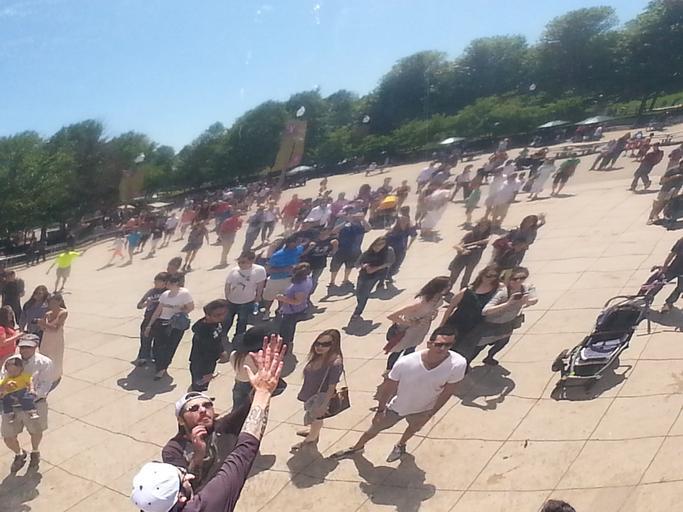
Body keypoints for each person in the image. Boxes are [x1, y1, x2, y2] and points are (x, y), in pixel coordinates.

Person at [132, 335, 284, 512]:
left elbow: (249, 408)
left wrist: (261, 386)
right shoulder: (173, 450)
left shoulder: (222, 428)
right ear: (180, 419)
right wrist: (198, 456)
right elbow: (244, 451)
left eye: (207, 405)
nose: (203, 410)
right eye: (194, 408)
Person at [332, 328, 465, 463]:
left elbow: (447, 392)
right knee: (374, 429)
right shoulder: (406, 362)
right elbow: (389, 387)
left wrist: (430, 414)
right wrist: (380, 410)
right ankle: (357, 448)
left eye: (448, 345)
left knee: (413, 429)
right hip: (398, 406)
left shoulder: (458, 364)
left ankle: (401, 445)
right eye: (439, 344)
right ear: (429, 343)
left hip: (425, 409)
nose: (443, 349)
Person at [2, 334, 54, 473]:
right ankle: (19, 453)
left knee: (36, 431)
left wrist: (31, 397)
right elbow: (3, 378)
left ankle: (35, 451)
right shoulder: (10, 361)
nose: (24, 350)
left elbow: (45, 385)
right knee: (8, 436)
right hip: (12, 405)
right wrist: (5, 390)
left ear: (35, 346)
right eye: (22, 346)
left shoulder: (45, 363)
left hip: (34, 404)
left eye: (28, 347)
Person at [469, 266, 537, 365]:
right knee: (479, 346)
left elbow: (534, 299)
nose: (518, 281)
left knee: (502, 342)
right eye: (514, 279)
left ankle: (489, 357)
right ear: (508, 279)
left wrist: (527, 301)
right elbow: (486, 310)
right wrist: (507, 304)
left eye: (522, 278)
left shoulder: (526, 288)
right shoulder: (502, 292)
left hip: (508, 323)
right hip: (491, 324)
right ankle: (467, 364)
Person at [293, 329, 344, 451]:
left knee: (317, 419)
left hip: (321, 397)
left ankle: (310, 439)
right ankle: (313, 432)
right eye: (318, 343)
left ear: (334, 345)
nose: (320, 347)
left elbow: (332, 386)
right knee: (313, 416)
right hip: (310, 394)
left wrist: (324, 405)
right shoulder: (319, 356)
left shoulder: (335, 363)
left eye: (325, 344)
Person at [385, 276, 450, 370]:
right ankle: (389, 370)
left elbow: (431, 309)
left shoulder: (439, 299)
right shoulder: (420, 302)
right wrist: (411, 323)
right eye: (447, 286)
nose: (449, 288)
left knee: (411, 350)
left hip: (420, 330)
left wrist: (433, 313)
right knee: (398, 351)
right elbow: (392, 316)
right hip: (407, 331)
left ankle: (405, 369)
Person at [439, 266, 501, 360]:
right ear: (482, 275)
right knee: (446, 346)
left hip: (474, 326)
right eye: (488, 276)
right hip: (457, 322)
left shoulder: (496, 292)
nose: (491, 278)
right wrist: (442, 324)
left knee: (463, 350)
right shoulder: (467, 291)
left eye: (494, 276)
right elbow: (451, 307)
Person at [145, 274, 195, 380]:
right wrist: (150, 324)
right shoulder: (165, 295)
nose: (167, 284)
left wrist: (179, 309)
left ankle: (162, 368)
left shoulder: (184, 294)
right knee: (157, 346)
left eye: (169, 283)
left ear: (175, 283)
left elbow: (190, 307)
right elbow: (158, 310)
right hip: (162, 321)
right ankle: (159, 363)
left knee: (170, 347)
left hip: (175, 323)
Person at [224, 251, 267, 343]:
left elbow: (260, 285)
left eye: (243, 262)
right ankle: (223, 336)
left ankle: (238, 338)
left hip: (246, 302)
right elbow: (227, 284)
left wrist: (258, 297)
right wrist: (227, 296)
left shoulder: (259, 271)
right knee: (227, 320)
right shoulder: (234, 270)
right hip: (232, 301)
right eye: (239, 262)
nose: (240, 264)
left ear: (251, 261)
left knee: (242, 321)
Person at [229, 324, 274, 411]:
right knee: (254, 408)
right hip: (252, 385)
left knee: (237, 409)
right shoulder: (258, 359)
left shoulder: (234, 355)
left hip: (239, 383)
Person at [189, 300, 229, 392]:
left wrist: (221, 351)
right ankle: (195, 396)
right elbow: (206, 352)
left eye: (224, 313)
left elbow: (217, 341)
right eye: (218, 315)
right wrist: (207, 372)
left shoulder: (215, 323)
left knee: (204, 384)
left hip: (211, 361)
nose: (222, 316)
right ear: (208, 316)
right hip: (201, 363)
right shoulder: (203, 332)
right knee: (199, 385)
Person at [352, 236, 395, 319]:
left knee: (364, 293)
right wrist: (364, 265)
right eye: (377, 244)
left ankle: (358, 311)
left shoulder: (388, 251)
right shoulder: (368, 252)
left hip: (376, 275)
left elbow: (390, 262)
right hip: (364, 274)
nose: (379, 246)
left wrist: (376, 268)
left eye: (382, 244)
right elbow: (357, 264)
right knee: (358, 293)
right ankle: (360, 305)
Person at [261, 237, 304, 319]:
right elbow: (268, 269)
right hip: (276, 279)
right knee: (269, 297)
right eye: (294, 243)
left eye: (296, 243)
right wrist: (283, 269)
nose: (296, 245)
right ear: (288, 244)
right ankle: (267, 311)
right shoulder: (277, 255)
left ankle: (279, 310)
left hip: (290, 279)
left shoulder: (298, 249)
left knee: (284, 296)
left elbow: (303, 249)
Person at [133, 272, 169, 367]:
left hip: (161, 320)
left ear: (165, 283)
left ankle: (156, 357)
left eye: (158, 282)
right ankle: (143, 357)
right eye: (155, 281)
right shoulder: (151, 292)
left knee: (159, 341)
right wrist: (146, 304)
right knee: (145, 338)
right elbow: (139, 305)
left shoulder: (168, 293)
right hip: (148, 318)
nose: (155, 284)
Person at [448, 218, 492, 291]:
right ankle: (447, 289)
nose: (483, 228)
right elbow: (458, 245)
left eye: (486, 226)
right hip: (463, 257)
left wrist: (471, 244)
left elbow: (485, 241)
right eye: (481, 225)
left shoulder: (487, 236)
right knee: (454, 275)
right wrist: (463, 250)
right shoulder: (470, 234)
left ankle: (463, 290)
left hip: (474, 258)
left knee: (467, 275)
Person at [276, 263, 313, 349]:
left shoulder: (299, 287)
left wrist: (283, 298)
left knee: (285, 331)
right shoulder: (308, 279)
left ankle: (284, 347)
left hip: (292, 312)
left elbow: (297, 301)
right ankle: (289, 341)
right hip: (297, 309)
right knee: (291, 327)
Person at [329, 213, 370, 287]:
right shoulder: (344, 224)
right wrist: (346, 221)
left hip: (354, 250)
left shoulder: (360, 226)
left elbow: (368, 228)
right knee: (335, 267)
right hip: (341, 249)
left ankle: (346, 279)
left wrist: (363, 219)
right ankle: (332, 281)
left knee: (349, 266)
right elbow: (334, 231)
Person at [37, 293, 67, 382]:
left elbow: (56, 328)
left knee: (55, 356)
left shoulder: (63, 313)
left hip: (56, 338)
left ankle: (54, 376)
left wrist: (44, 324)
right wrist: (41, 325)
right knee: (44, 354)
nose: (51, 305)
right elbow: (43, 328)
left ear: (59, 302)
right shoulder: (47, 313)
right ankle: (44, 374)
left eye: (53, 303)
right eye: (50, 303)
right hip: (46, 337)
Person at [301, 227, 338, 296]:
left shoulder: (331, 241)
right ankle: (302, 293)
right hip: (309, 263)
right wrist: (309, 248)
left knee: (314, 279)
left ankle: (309, 295)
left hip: (320, 264)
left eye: (327, 232)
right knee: (304, 279)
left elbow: (332, 254)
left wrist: (335, 247)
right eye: (324, 232)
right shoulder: (313, 240)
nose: (325, 234)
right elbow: (303, 254)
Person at [1, 356, 39, 422]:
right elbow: (2, 384)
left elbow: (30, 382)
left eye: (15, 371)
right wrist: (5, 386)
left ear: (21, 368)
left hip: (21, 390)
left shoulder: (23, 375)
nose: (13, 373)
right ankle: (10, 414)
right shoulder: (7, 378)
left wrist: (32, 389)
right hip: (11, 392)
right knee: (6, 400)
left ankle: (31, 411)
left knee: (26, 398)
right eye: (10, 371)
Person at [385, 207, 418, 283]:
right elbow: (386, 237)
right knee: (390, 262)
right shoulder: (394, 229)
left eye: (405, 221)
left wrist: (409, 245)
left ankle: (389, 276)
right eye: (402, 220)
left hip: (401, 248)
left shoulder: (408, 228)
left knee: (397, 263)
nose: (404, 222)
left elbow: (414, 235)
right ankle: (386, 276)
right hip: (392, 248)